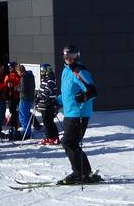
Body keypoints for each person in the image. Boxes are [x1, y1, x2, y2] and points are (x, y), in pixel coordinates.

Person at [58, 45, 101, 184]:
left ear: (77, 56)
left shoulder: (79, 71)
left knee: (68, 142)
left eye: (71, 56)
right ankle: (85, 173)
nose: (68, 59)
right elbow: (67, 93)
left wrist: (83, 96)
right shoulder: (66, 71)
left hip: (79, 113)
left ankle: (79, 173)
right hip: (69, 113)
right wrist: (55, 101)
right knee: (72, 143)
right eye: (66, 56)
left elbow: (92, 91)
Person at [35, 63, 61, 145]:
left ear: (47, 71)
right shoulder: (45, 79)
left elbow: (48, 90)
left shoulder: (50, 79)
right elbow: (42, 89)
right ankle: (50, 137)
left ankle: (53, 137)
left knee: (48, 122)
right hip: (44, 104)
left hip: (48, 104)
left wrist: (40, 97)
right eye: (41, 71)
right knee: (47, 122)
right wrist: (37, 95)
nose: (41, 73)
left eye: (43, 71)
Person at [18, 65, 38, 139]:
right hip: (30, 98)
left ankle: (26, 133)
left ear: (20, 71)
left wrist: (17, 88)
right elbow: (34, 86)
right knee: (26, 115)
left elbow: (23, 89)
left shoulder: (23, 77)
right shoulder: (31, 76)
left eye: (18, 72)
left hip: (24, 98)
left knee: (23, 116)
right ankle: (27, 131)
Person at [4, 62, 22, 139]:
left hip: (18, 96)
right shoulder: (8, 76)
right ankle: (13, 126)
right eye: (10, 68)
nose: (11, 69)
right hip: (12, 97)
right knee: (13, 111)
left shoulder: (18, 75)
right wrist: (8, 86)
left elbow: (21, 83)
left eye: (12, 67)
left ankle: (15, 126)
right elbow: (5, 86)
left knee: (19, 111)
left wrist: (17, 87)